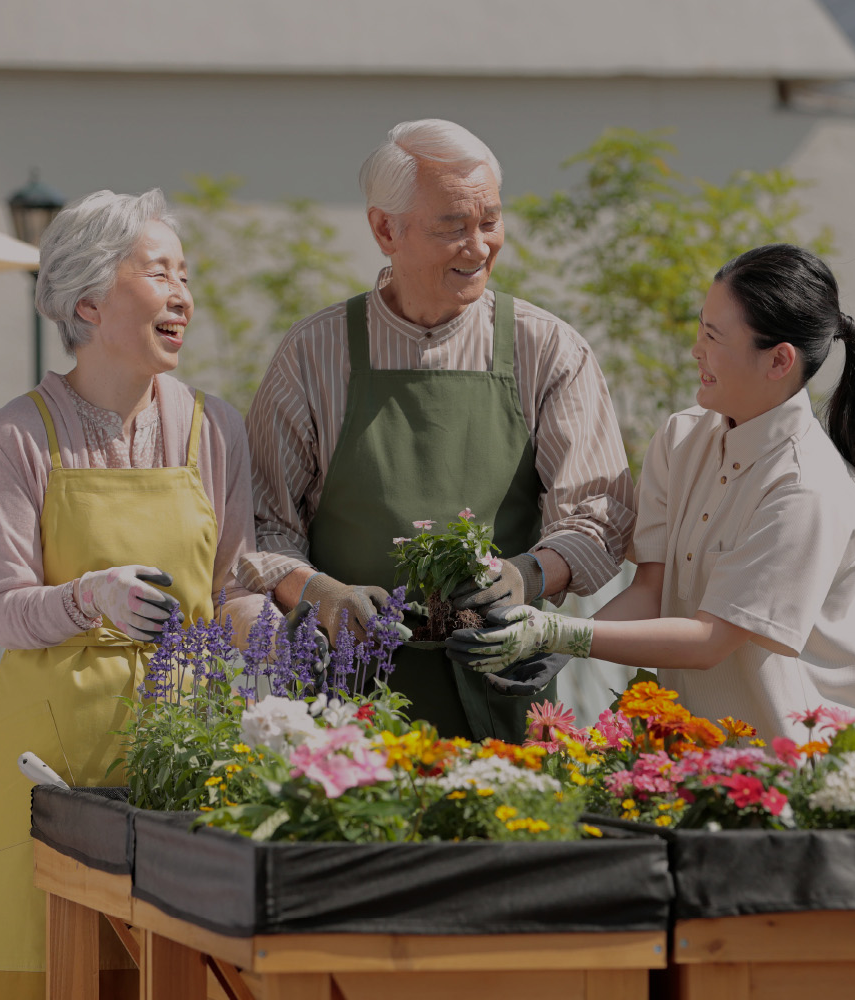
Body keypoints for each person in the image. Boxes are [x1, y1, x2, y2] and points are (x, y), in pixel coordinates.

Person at [239, 119, 635, 743]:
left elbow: (600, 514)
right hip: (345, 710)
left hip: (505, 693)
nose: (478, 247)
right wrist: (320, 592)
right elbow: (259, 525)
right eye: (452, 226)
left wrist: (527, 575)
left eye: (490, 221)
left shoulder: (547, 349)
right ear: (384, 229)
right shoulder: (314, 354)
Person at [0, 189, 260, 1000]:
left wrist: (263, 622)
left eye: (186, 275)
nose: (183, 293)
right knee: (48, 964)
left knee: (174, 964)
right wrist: (89, 597)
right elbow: (0, 607)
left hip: (183, 746)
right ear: (89, 302)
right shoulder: (19, 433)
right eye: (158, 271)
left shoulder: (216, 428)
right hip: (51, 755)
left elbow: (230, 589)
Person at [448, 243, 855, 741]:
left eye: (713, 336)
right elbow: (651, 592)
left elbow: (710, 640)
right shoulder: (681, 440)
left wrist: (558, 632)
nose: (696, 350)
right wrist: (555, 649)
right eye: (700, 327)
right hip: (694, 757)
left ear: (779, 361)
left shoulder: (807, 485)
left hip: (792, 769)